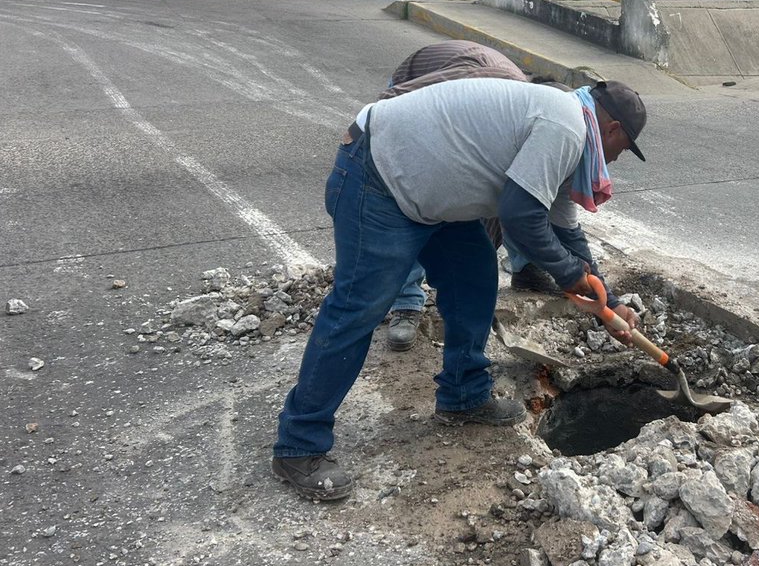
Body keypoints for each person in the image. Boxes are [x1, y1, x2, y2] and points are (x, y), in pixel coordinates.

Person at [272, 77, 647, 500]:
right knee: (358, 307)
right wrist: (568, 275)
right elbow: (521, 217)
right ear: (612, 129)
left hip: (431, 193)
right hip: (379, 175)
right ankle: (298, 445)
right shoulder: (565, 127)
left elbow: (565, 231)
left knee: (474, 279)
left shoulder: (568, 134)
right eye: (623, 149)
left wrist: (610, 305)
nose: (616, 160)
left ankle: (463, 395)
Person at [374, 41, 529, 351]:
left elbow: (520, 207)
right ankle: (406, 301)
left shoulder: (525, 129)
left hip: (471, 100)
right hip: (413, 90)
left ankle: (523, 268)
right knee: (417, 205)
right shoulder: (474, 117)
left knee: (505, 207)